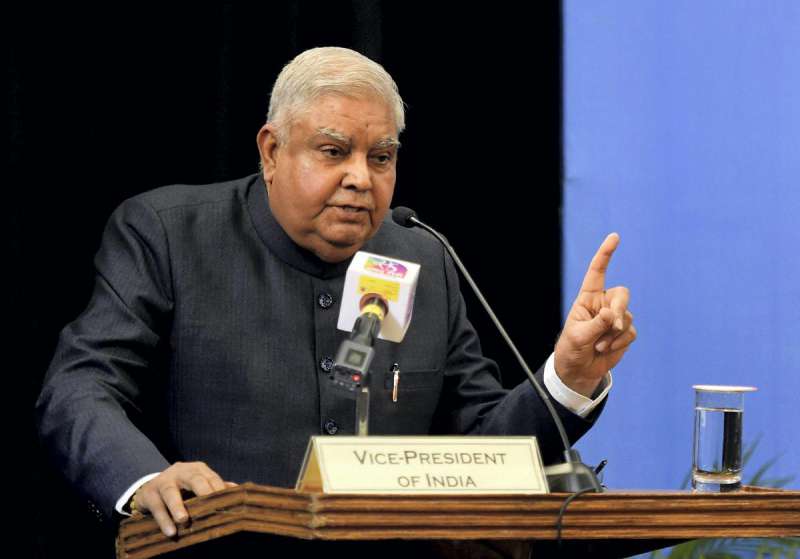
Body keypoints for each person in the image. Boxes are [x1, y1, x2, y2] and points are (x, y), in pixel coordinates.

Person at [36, 47, 635, 544]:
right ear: (271, 151)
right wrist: (145, 479)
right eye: (333, 151)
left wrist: (569, 376)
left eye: (381, 158)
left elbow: (482, 451)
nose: (360, 178)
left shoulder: (421, 256)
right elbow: (80, 386)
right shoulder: (170, 234)